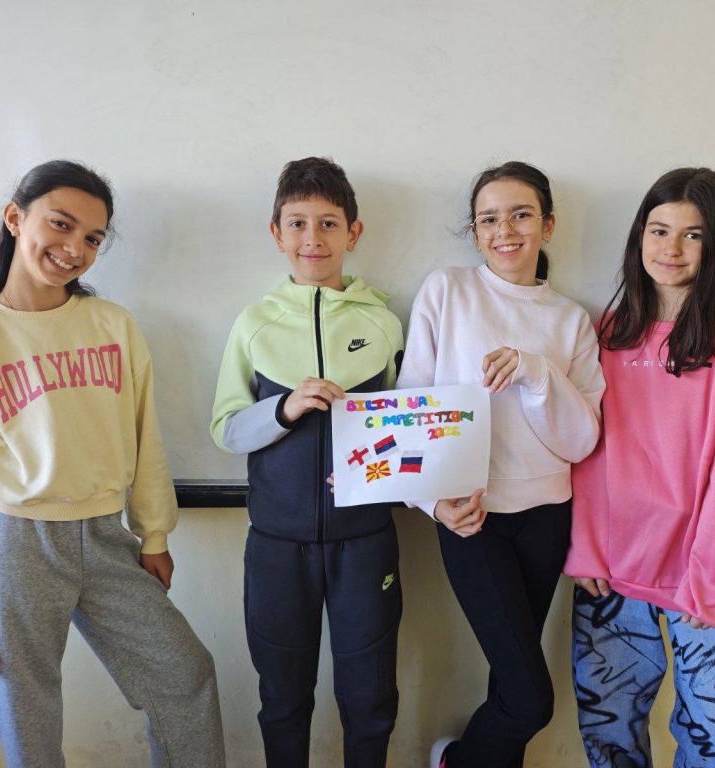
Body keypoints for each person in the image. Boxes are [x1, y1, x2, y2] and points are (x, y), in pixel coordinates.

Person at [0, 160, 225, 768]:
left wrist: (154, 533)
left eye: (93, 238)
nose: (75, 248)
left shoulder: (112, 325)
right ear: (15, 219)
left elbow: (144, 437)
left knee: (184, 674)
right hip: (14, 543)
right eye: (61, 224)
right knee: (29, 712)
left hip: (108, 535)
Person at [565, 167, 715, 768]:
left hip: (707, 579)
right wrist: (585, 549)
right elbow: (590, 450)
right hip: (613, 574)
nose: (671, 248)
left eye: (693, 234)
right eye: (659, 230)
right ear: (640, 235)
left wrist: (713, 580)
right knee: (608, 736)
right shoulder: (610, 331)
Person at [397, 161, 605, 768]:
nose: (504, 230)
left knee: (508, 685)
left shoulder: (570, 320)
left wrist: (538, 373)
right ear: (474, 230)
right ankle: (456, 761)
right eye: (488, 219)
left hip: (546, 519)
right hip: (471, 517)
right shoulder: (447, 291)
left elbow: (581, 442)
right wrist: (431, 502)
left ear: (548, 225)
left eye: (520, 215)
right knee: (530, 699)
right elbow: (410, 408)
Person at [211, 157, 404, 768]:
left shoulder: (384, 323)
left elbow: (409, 431)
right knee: (283, 701)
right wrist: (284, 408)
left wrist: (370, 466)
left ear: (353, 232)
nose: (312, 238)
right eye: (297, 223)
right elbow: (225, 429)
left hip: (365, 541)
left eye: (328, 223)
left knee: (370, 699)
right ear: (277, 233)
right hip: (277, 545)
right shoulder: (254, 324)